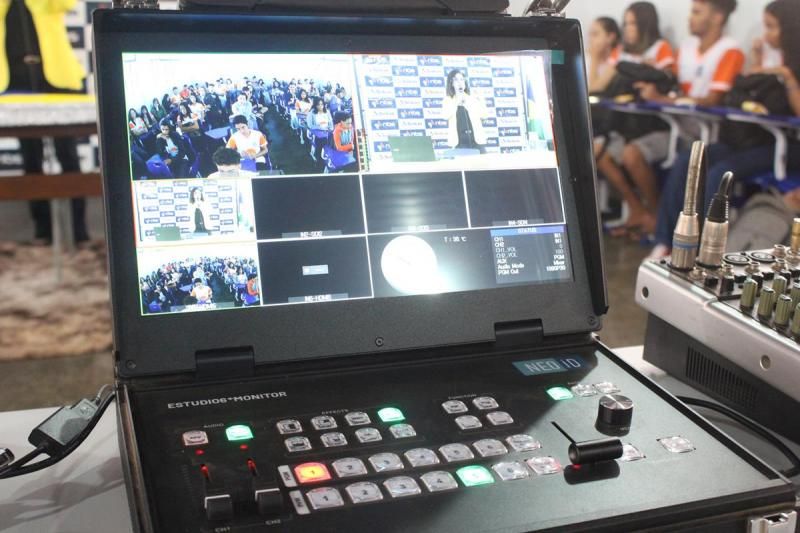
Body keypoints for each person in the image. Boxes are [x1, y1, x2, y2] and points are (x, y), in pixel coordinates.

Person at [649, 0, 800, 259]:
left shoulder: (790, 64)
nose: (766, 34)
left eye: (772, 27)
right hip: (752, 137)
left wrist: (787, 77)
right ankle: (666, 241)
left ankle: (702, 248)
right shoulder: (771, 55)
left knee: (719, 172)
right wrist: (760, 61)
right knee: (689, 159)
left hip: (784, 145)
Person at [615, 0, 744, 238]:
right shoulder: (686, 47)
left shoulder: (730, 51)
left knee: (683, 161)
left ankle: (664, 235)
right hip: (675, 129)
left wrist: (662, 98)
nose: (689, 18)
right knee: (628, 151)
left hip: (709, 136)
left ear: (717, 17)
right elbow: (673, 89)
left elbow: (712, 100)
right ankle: (653, 222)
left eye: (697, 12)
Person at [2, 0, 89, 243]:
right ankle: (43, 232)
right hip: (15, 82)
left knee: (68, 156)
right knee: (31, 160)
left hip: (56, 80)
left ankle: (79, 231)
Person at [596, 2, 677, 237]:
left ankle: (657, 216)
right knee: (597, 151)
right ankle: (636, 209)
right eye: (626, 23)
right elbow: (599, 86)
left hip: (655, 125)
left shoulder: (661, 49)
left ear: (645, 24)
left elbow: (666, 83)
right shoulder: (620, 52)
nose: (628, 28)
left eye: (632, 23)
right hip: (625, 125)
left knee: (632, 154)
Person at [443, 69, 488, 152]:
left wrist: (482, 100)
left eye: (461, 79)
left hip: (477, 141)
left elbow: (484, 115)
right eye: (456, 80)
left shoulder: (472, 98)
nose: (460, 82)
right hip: (459, 143)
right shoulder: (448, 100)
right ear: (451, 83)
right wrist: (456, 100)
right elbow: (445, 116)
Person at [587, 17, 622, 94]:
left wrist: (594, 58)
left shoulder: (618, 58)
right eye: (590, 35)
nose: (590, 39)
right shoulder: (585, 56)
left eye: (595, 34)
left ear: (610, 37)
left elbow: (593, 90)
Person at [307, 96, 333, 162]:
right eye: (318, 104)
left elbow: (330, 122)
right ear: (315, 105)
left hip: (327, 131)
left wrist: (330, 129)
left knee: (331, 140)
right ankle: (318, 157)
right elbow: (310, 125)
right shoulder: (312, 113)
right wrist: (320, 128)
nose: (320, 106)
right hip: (317, 132)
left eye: (322, 104)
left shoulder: (327, 111)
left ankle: (327, 156)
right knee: (321, 140)